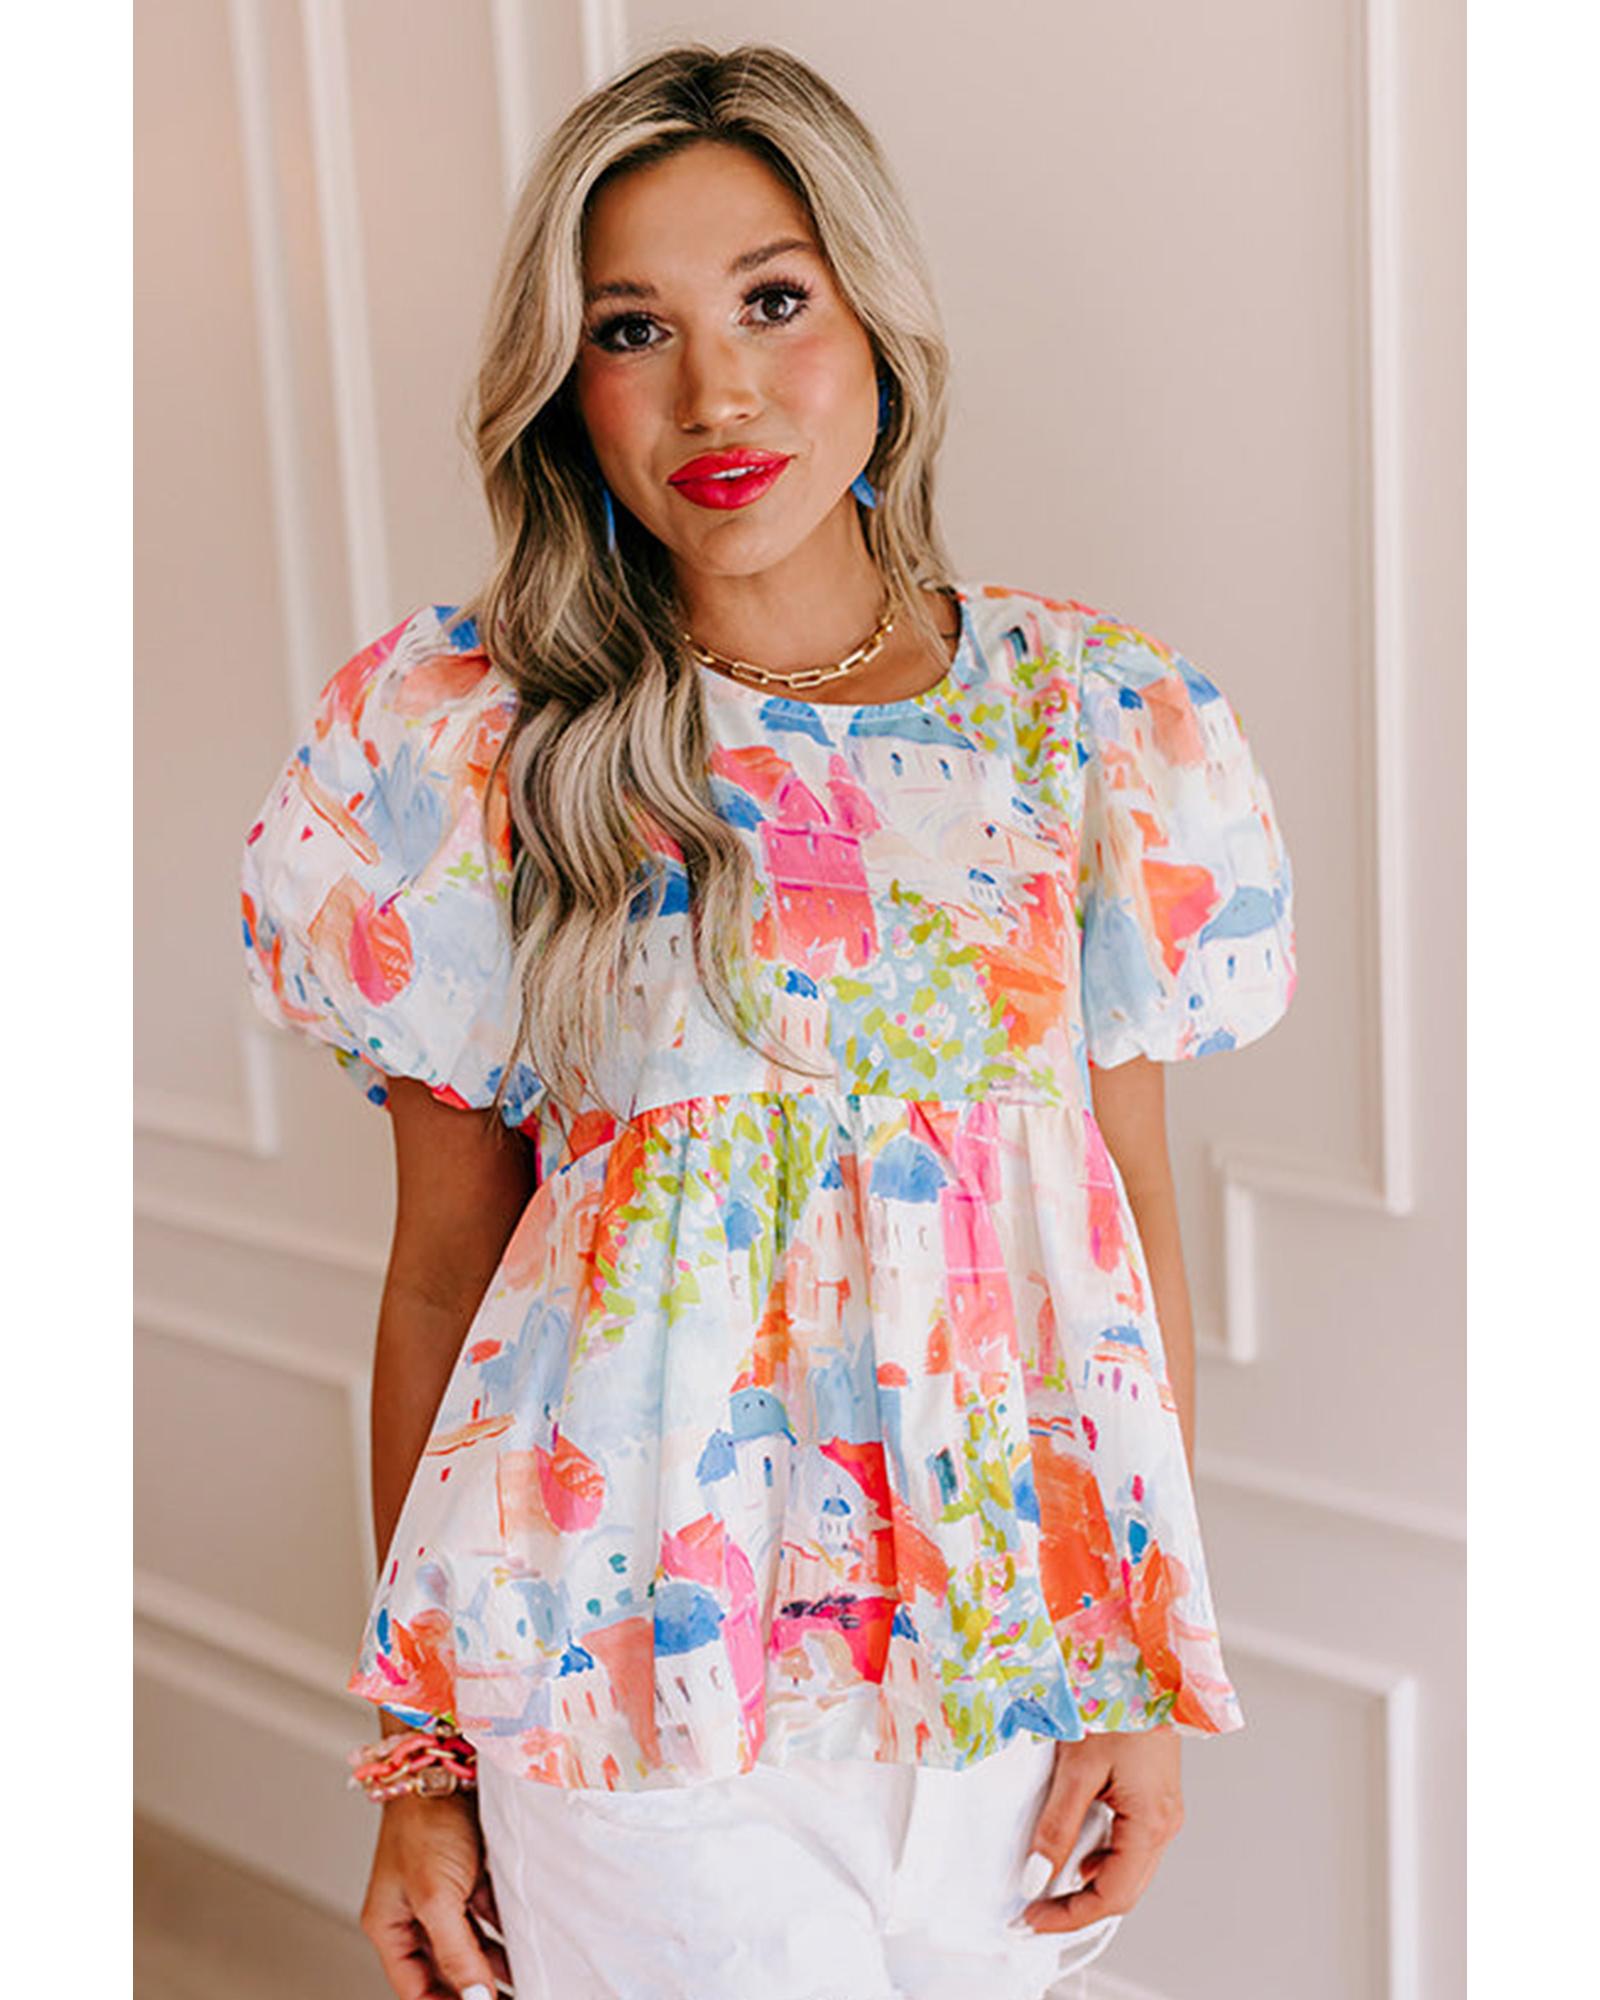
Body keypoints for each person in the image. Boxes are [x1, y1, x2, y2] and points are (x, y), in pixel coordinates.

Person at [239, 40, 1296, 2000]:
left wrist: (1140, 1668)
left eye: (773, 301)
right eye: (630, 327)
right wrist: (420, 1763)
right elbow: (443, 1268)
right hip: (628, 1688)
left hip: (1002, 1670)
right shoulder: (468, 733)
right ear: (566, 383)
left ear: (876, 321)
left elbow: (1118, 1223)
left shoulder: (1094, 721)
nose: (714, 391)